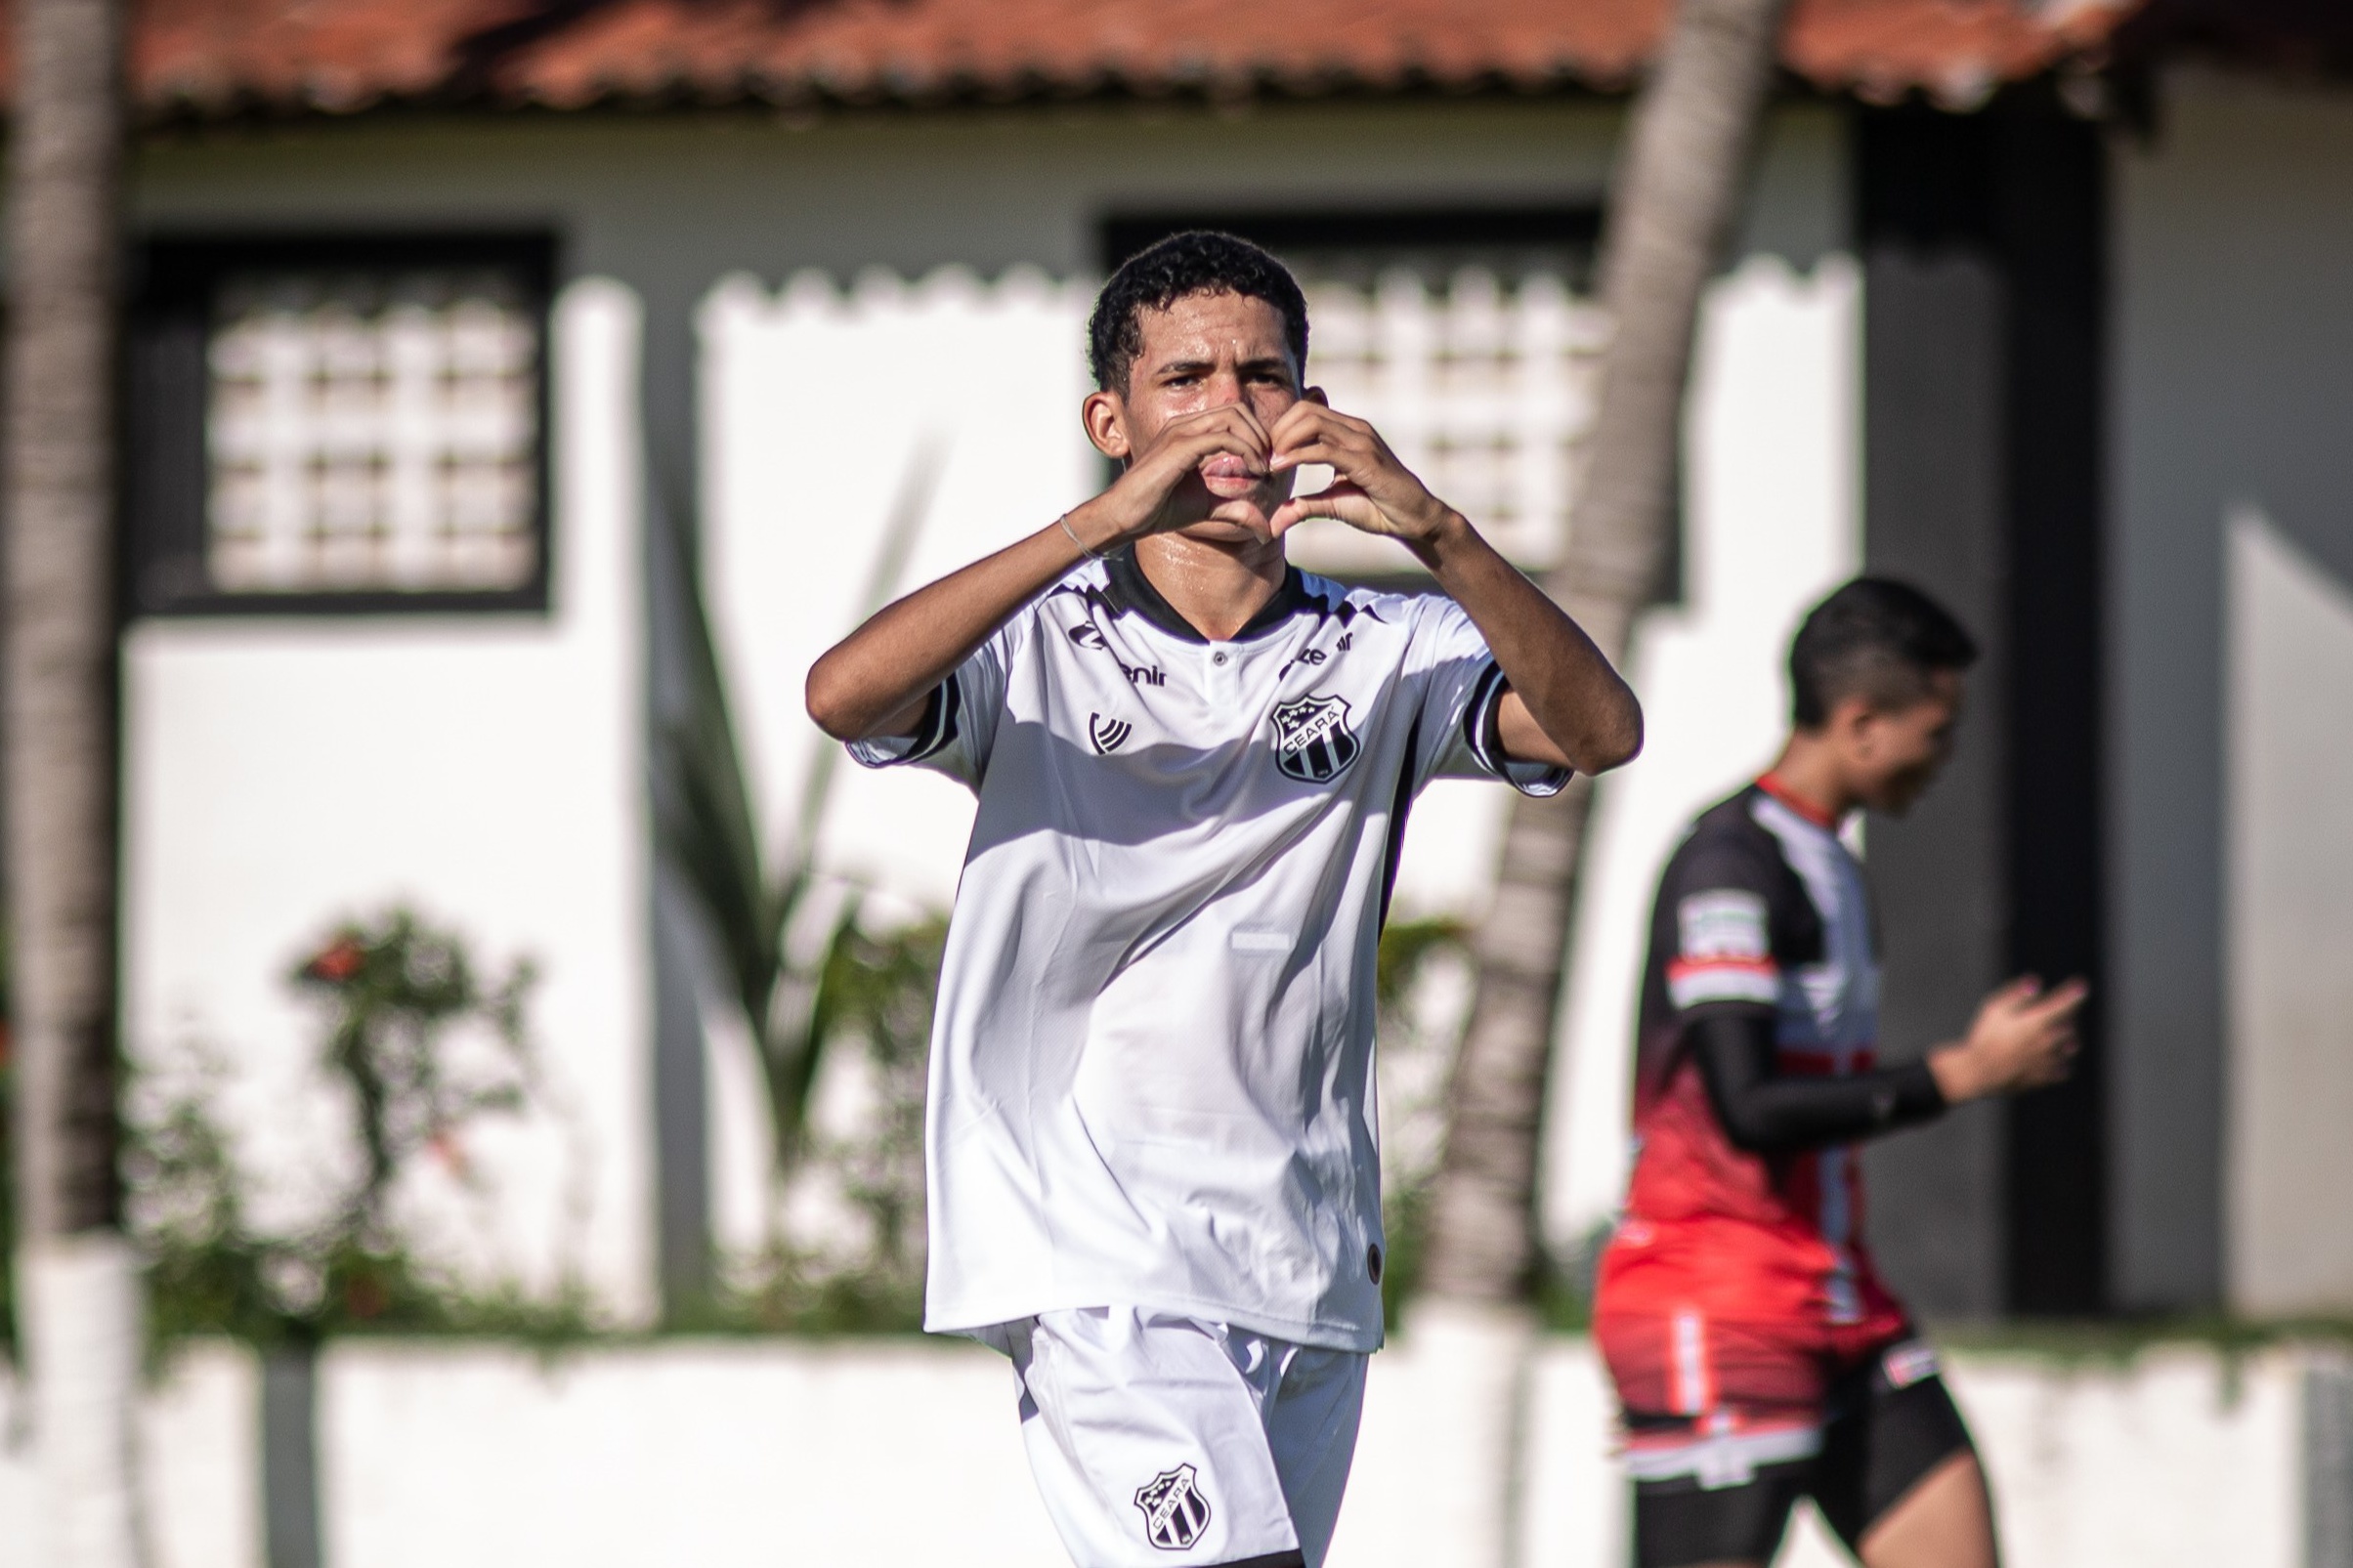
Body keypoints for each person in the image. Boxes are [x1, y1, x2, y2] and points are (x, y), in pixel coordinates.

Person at [806, 231, 1642, 1568]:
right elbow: (844, 695)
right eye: (1185, 377)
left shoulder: (1388, 645)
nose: (1229, 409)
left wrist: (1441, 533)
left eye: (1262, 374)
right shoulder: (1033, 640)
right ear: (1111, 419)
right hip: (1094, 1248)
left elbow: (1598, 731)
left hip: (1306, 1251)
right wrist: (1099, 521)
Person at [1592, 578, 2085, 1568]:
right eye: (1934, 731)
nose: (1943, 759)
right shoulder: (1728, 864)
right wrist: (1960, 1072)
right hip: (1715, 1300)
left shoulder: (1831, 862)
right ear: (1860, 723)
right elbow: (1746, 1110)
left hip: (1836, 1294)